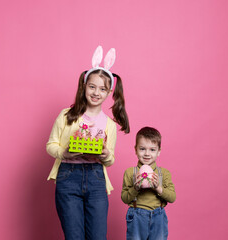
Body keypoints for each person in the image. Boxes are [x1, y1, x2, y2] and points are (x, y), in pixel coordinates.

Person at [47, 46, 130, 240]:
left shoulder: (109, 124)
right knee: (74, 236)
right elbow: (51, 145)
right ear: (84, 86)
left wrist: (106, 155)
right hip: (68, 177)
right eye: (92, 86)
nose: (96, 92)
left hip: (96, 178)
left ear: (109, 91)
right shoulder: (66, 115)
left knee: (98, 236)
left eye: (102, 89)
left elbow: (110, 160)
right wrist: (64, 153)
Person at [121, 127, 176, 240]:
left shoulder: (164, 173)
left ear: (158, 151)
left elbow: (172, 197)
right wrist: (135, 188)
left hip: (158, 216)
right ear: (135, 149)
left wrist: (158, 188)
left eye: (152, 150)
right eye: (142, 149)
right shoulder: (130, 172)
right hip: (137, 216)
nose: (147, 154)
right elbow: (125, 199)